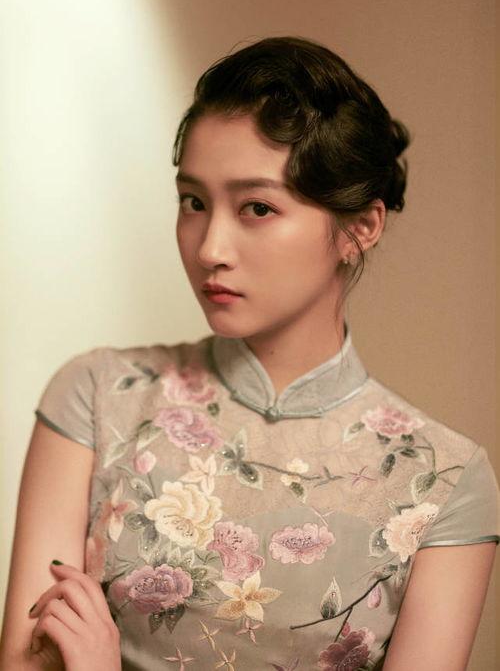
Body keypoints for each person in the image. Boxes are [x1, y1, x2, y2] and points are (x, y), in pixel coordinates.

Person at [1, 36, 498, 671]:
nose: (210, 248)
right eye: (194, 202)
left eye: (257, 208)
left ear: (360, 227)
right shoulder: (97, 395)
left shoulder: (445, 480)